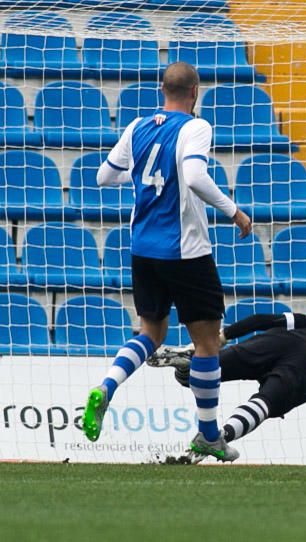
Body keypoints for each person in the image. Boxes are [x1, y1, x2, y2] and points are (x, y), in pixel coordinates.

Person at [81, 62, 252, 463]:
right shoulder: (196, 126)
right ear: (194, 91)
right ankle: (209, 435)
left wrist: (144, 178)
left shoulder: (138, 125)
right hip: (186, 251)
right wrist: (235, 212)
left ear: (163, 89)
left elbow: (104, 176)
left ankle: (107, 386)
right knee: (208, 343)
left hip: (143, 248)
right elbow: (193, 176)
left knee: (151, 333)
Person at [148, 304, 306, 464]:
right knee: (264, 403)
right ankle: (217, 438)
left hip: (286, 339)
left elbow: (267, 319)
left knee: (213, 366)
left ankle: (190, 362)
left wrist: (224, 336)